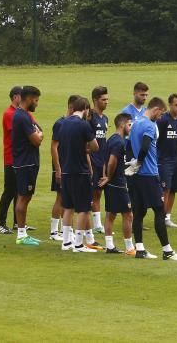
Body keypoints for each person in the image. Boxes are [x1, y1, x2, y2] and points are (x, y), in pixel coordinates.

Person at [126, 97, 177, 260]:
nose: (160, 117)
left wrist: (133, 164)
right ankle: (167, 251)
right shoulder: (148, 125)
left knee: (138, 212)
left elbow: (130, 145)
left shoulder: (136, 123)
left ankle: (139, 249)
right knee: (160, 211)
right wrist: (139, 162)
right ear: (156, 110)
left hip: (137, 176)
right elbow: (146, 145)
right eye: (160, 114)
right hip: (149, 174)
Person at [57, 96, 100, 253]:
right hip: (80, 171)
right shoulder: (83, 125)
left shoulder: (64, 123)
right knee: (83, 209)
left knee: (68, 206)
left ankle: (66, 242)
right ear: (85, 109)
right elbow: (95, 146)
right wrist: (86, 149)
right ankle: (79, 244)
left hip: (66, 170)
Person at [11, 86, 44, 246]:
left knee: (26, 196)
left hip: (27, 162)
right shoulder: (22, 117)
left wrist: (38, 133)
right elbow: (37, 139)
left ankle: (22, 232)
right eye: (36, 100)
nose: (37, 104)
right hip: (25, 163)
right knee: (23, 197)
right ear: (30, 99)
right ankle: (21, 234)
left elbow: (40, 130)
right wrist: (39, 135)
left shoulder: (24, 115)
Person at [99, 112, 135, 255]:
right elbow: (112, 161)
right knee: (128, 214)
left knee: (111, 214)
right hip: (118, 183)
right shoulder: (119, 142)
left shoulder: (111, 139)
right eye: (129, 124)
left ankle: (109, 246)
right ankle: (129, 247)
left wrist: (105, 175)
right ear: (122, 124)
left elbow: (105, 160)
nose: (131, 128)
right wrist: (108, 177)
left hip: (112, 183)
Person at [49, 95, 80, 242]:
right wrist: (58, 169)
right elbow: (54, 147)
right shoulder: (60, 123)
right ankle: (54, 231)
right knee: (60, 197)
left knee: (68, 198)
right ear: (72, 108)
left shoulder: (71, 123)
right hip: (62, 166)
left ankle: (64, 229)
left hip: (69, 166)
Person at [157, 93, 177, 228]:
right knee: (165, 189)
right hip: (164, 160)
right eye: (176, 105)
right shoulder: (163, 120)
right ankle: (161, 217)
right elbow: (156, 139)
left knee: (174, 189)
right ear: (170, 105)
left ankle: (167, 217)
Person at [0, 86, 22, 234]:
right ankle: (1, 223)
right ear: (15, 97)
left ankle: (17, 222)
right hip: (11, 158)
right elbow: (18, 133)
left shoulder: (20, 113)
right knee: (9, 191)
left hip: (20, 158)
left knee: (19, 191)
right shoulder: (9, 114)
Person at [88, 86, 110, 234]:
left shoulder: (105, 118)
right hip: (91, 159)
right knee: (90, 193)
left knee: (98, 192)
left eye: (107, 99)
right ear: (95, 100)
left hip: (102, 160)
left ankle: (97, 225)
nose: (106, 102)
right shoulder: (90, 117)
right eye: (103, 100)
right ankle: (93, 225)